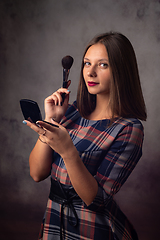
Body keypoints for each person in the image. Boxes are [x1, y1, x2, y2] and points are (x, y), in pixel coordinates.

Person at [23, 32, 147, 240]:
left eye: (103, 65)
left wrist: (68, 150)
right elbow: (37, 173)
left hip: (94, 230)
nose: (90, 73)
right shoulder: (71, 111)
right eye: (87, 63)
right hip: (55, 222)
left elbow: (96, 200)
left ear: (122, 71)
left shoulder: (128, 129)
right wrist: (52, 122)